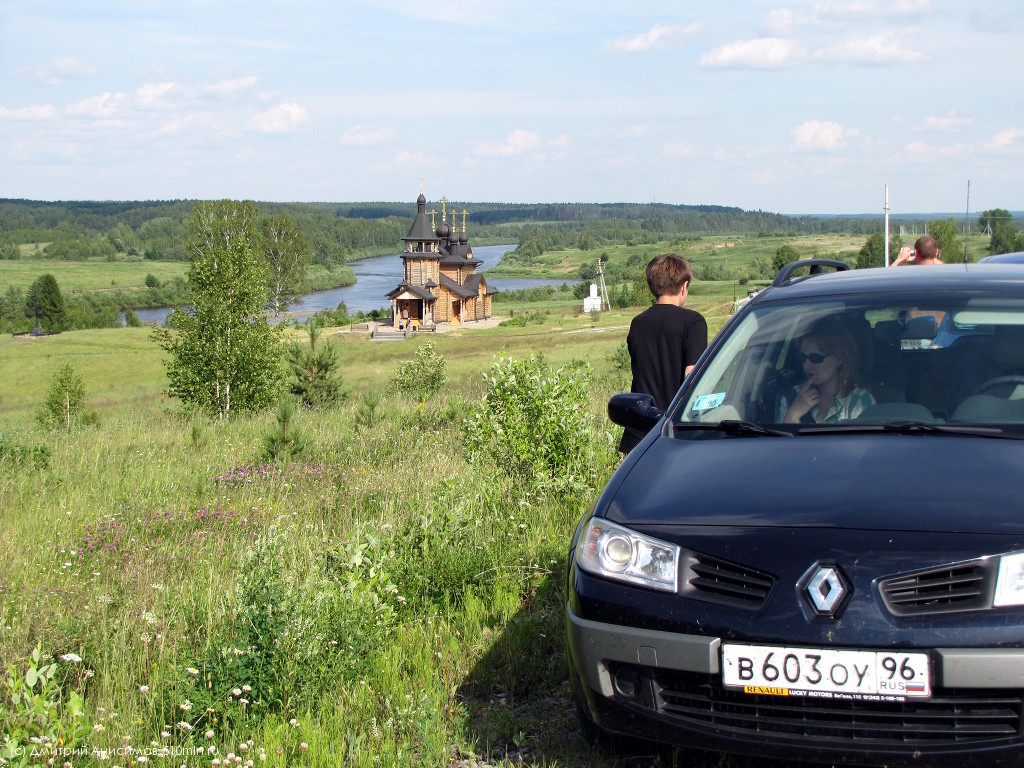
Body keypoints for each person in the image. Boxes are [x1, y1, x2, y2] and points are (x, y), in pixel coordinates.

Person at [619, 253, 708, 453]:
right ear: (684, 286)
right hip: (675, 432)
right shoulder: (693, 322)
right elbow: (692, 376)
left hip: (638, 434)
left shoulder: (638, 323)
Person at [779, 318, 875, 424]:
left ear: (839, 358)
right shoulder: (791, 398)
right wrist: (793, 414)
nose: (806, 364)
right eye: (802, 357)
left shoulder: (857, 401)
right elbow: (778, 440)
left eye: (815, 358)